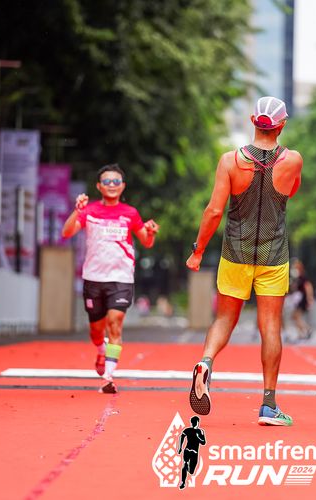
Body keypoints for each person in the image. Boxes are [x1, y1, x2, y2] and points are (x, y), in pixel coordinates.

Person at [185, 96, 303, 426]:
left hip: (235, 252)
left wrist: (198, 250)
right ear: (282, 124)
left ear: (253, 120)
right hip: (273, 255)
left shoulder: (229, 161)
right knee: (271, 326)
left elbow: (214, 211)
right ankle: (268, 405)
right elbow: (291, 191)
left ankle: (206, 362)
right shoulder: (293, 160)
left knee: (225, 319)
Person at [62, 164, 159, 394]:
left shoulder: (130, 213)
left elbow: (146, 242)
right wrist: (77, 210)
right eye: (107, 181)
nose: (112, 185)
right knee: (96, 331)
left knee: (115, 323)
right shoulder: (89, 211)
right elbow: (67, 232)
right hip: (94, 278)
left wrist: (151, 232)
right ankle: (100, 349)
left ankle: (108, 375)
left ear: (123, 186)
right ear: (99, 186)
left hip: (121, 278)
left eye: (116, 181)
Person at [177, 415, 206, 490]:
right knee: (186, 465)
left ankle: (186, 472)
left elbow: (203, 442)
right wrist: (180, 447)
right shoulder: (193, 431)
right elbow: (203, 442)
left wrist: (180, 447)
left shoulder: (198, 431)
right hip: (191, 451)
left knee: (190, 470)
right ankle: (183, 482)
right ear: (196, 422)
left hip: (189, 451)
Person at [290, 259, 314, 341]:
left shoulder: (303, 277)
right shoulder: (297, 278)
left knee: (296, 316)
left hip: (302, 299)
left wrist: (309, 298)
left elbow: (308, 286)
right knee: (295, 317)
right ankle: (302, 333)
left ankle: (307, 329)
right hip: (298, 299)